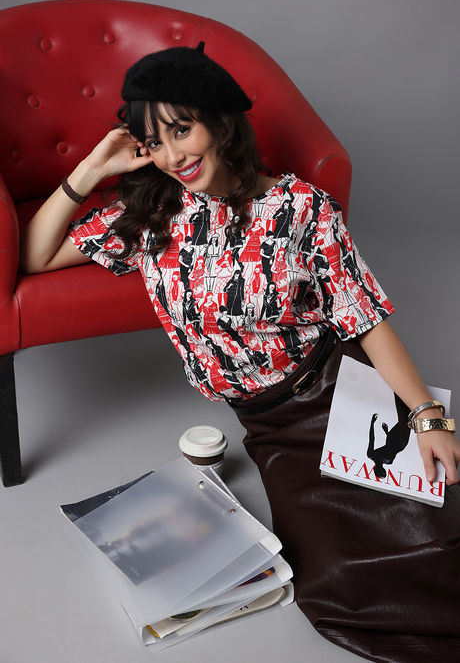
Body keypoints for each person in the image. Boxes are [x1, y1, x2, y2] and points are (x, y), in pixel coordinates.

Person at [20, 42, 460, 662]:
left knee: (438, 536)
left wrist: (427, 417)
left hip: (335, 390)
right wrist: (91, 170)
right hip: (270, 429)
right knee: (337, 584)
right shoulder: (152, 213)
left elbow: (365, 319)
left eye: (182, 130)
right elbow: (34, 255)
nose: (173, 156)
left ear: (221, 124)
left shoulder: (301, 209)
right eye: (155, 141)